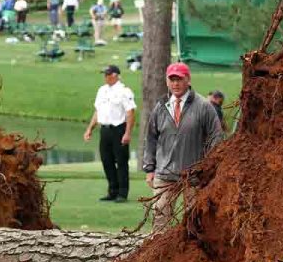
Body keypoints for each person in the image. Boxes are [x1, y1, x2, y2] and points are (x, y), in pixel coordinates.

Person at [142, 63, 222, 232]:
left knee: (194, 220)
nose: (175, 84)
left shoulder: (204, 106)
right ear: (167, 81)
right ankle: (159, 255)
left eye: (179, 79)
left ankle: (192, 255)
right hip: (164, 174)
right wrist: (150, 168)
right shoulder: (161, 106)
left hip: (194, 176)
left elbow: (216, 137)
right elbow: (150, 139)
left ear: (188, 80)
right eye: (172, 79)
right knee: (160, 216)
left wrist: (207, 167)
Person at [83, 65, 137, 203]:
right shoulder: (102, 90)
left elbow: (130, 113)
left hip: (119, 129)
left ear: (115, 75)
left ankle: (122, 193)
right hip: (105, 130)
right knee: (106, 161)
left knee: (121, 162)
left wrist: (127, 133)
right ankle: (112, 191)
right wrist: (90, 129)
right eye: (104, 74)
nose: (105, 77)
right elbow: (97, 111)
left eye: (107, 74)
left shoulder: (124, 91)